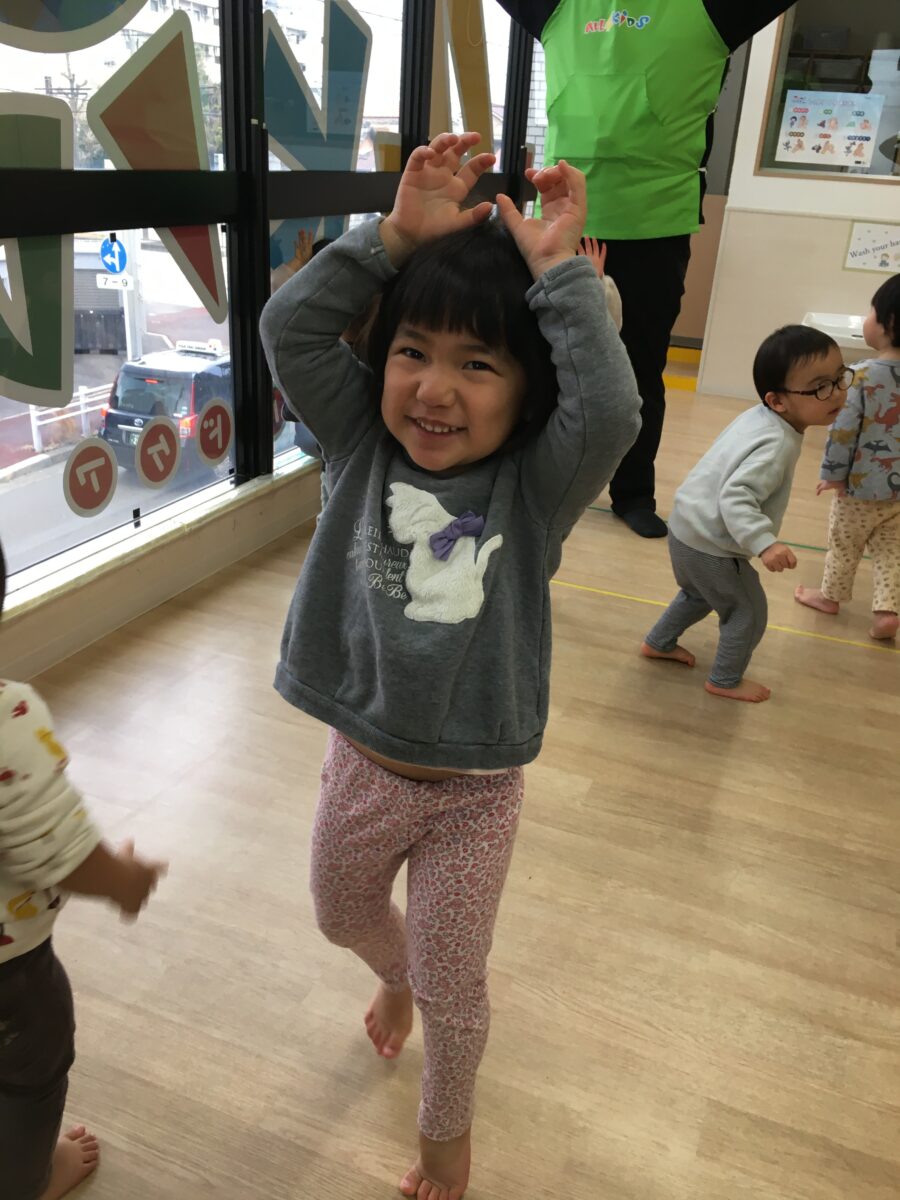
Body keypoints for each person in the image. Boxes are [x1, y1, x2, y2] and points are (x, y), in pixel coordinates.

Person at [259, 132, 640, 1199]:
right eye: (413, 352)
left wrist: (562, 280)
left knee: (453, 987)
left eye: (479, 365)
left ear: (527, 392)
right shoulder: (357, 440)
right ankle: (394, 974)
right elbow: (289, 328)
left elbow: (612, 410)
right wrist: (390, 237)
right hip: (362, 761)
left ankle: (444, 1137)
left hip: (474, 792)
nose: (434, 389)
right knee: (340, 916)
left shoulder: (538, 485)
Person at [498, 0, 795, 537]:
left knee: (639, 366)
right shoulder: (561, 7)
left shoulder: (709, 9)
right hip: (563, 218)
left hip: (655, 222)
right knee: (540, 355)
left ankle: (633, 492)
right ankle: (530, 475)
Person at [0, 543, 166, 1200]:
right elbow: (58, 849)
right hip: (10, 981)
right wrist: (124, 882)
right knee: (28, 1080)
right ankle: (29, 1180)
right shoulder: (8, 718)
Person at [641, 326, 850, 702]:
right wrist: (764, 543)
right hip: (710, 545)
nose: (836, 392)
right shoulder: (777, 443)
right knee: (748, 612)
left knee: (697, 594)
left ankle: (659, 642)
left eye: (839, 378)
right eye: (820, 387)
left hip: (686, 529)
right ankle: (724, 680)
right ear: (778, 401)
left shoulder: (760, 417)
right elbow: (736, 497)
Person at [795, 276, 900, 640]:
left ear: (887, 322)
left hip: (859, 488)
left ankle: (830, 597)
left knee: (845, 543)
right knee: (892, 551)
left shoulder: (860, 377)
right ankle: (887, 610)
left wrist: (833, 474)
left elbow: (843, 431)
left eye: (871, 311)